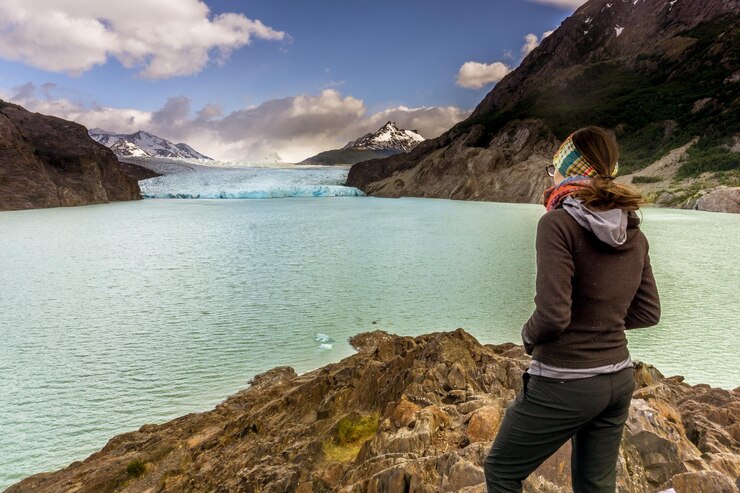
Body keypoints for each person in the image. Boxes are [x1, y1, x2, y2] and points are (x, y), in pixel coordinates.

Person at [483, 126, 661, 493]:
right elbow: (648, 312)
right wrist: (600, 324)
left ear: (568, 168)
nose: (552, 175)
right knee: (595, 485)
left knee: (501, 471)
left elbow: (552, 316)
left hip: (565, 380)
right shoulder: (633, 230)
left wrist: (527, 335)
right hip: (618, 380)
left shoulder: (557, 224)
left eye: (554, 168)